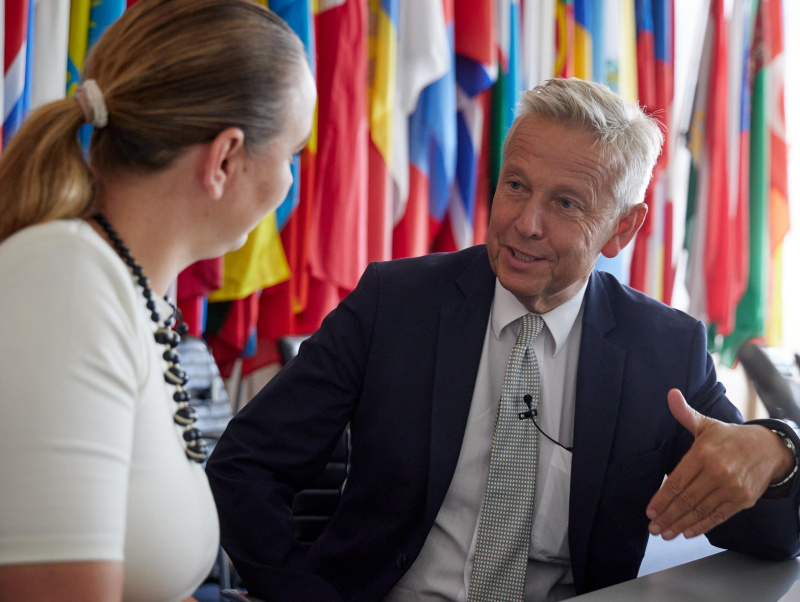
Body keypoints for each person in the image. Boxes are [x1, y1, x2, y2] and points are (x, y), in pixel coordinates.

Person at [206, 78, 800, 602]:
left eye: (565, 203)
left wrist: (778, 452)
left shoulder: (664, 350)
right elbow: (244, 468)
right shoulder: (395, 304)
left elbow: (771, 536)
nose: (525, 222)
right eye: (516, 185)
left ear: (623, 228)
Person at [0, 0, 315, 600]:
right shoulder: (68, 286)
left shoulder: (114, 285)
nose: (291, 180)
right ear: (224, 158)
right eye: (292, 153)